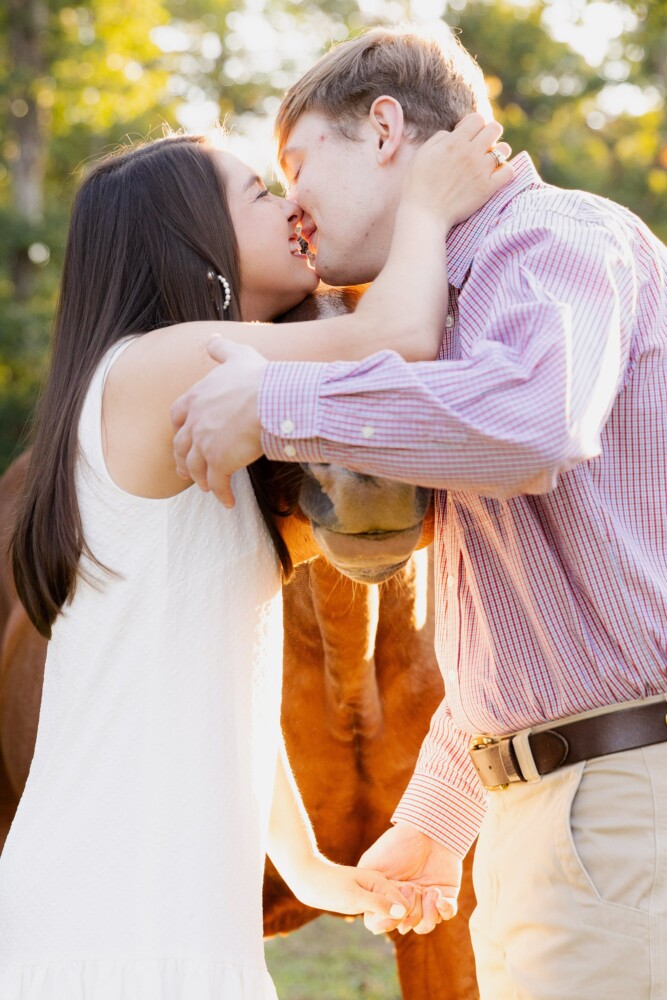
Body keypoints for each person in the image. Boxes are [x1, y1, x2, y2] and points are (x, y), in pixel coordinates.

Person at [170, 26, 667, 1000]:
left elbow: (534, 425)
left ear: (384, 127)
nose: (297, 209)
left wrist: (271, 402)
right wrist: (438, 819)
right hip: (563, 818)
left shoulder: (554, 235)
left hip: (621, 807)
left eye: (297, 163)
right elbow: (534, 620)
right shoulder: (466, 323)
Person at [2, 121, 510, 998]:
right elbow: (394, 333)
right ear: (190, 239)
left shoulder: (215, 433)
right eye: (261, 193)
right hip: (110, 922)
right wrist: (426, 202)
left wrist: (309, 866)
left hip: (174, 922)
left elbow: (219, 671)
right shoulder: (157, 367)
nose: (295, 209)